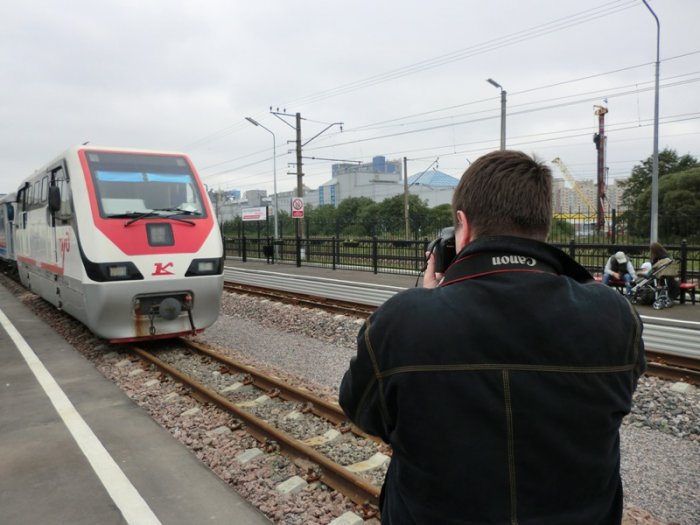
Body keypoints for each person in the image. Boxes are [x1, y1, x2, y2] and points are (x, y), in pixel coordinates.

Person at [339, 150, 645, 525]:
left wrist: (434, 300)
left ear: (462, 227)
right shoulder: (614, 316)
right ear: (544, 228)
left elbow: (361, 412)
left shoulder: (402, 321)